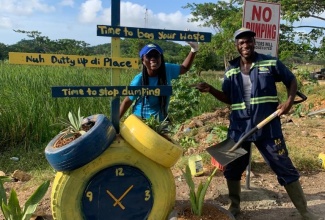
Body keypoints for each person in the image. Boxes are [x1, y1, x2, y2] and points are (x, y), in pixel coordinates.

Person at [194, 28, 323, 220]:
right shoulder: (231, 70)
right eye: (241, 43)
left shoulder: (270, 62)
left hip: (267, 126)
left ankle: (305, 211)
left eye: (248, 41)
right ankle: (235, 207)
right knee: (232, 168)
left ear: (254, 42)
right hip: (239, 128)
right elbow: (229, 98)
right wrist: (211, 90)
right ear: (236, 46)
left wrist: (288, 102)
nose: (245, 45)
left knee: (283, 166)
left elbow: (291, 80)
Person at [119, 42, 198, 121]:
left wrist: (193, 50)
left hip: (161, 120)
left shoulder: (167, 69)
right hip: (141, 120)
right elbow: (127, 102)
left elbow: (184, 68)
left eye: (156, 55)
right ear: (143, 60)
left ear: (161, 58)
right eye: (149, 56)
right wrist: (114, 122)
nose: (153, 58)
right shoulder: (139, 80)